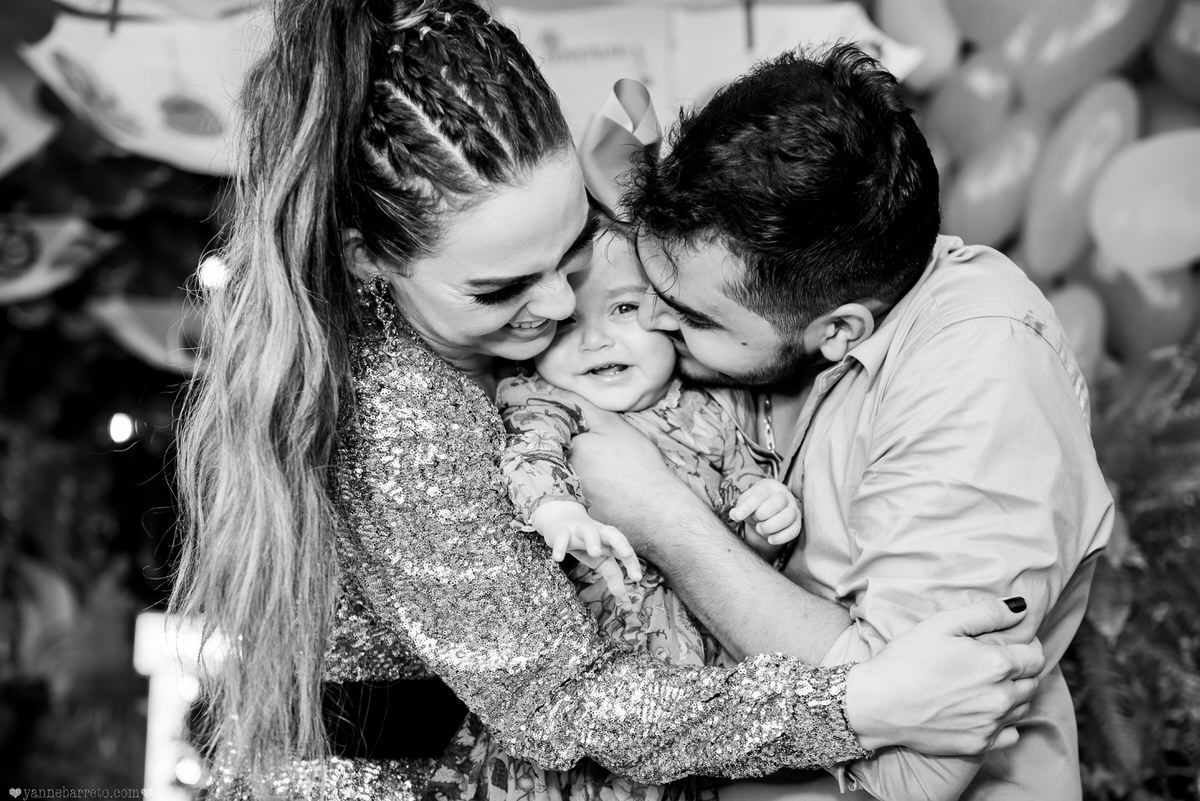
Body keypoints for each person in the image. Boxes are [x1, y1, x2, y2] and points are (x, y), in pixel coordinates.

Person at [169, 3, 1045, 799]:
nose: (558, 305)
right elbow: (559, 703)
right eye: (503, 287)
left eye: (571, 251)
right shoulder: (404, 420)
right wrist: (857, 703)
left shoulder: (489, 321)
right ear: (367, 259)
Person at [570, 45, 1114, 801]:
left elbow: (909, 769)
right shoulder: (751, 277)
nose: (653, 324)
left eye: (692, 317)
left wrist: (661, 516)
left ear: (838, 331)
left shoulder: (984, 377)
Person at [497, 219, 800, 671]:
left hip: (719, 661)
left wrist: (764, 522)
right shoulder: (545, 398)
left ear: (672, 317)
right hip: (619, 662)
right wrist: (559, 512)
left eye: (623, 308)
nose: (596, 340)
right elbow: (531, 450)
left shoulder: (711, 409)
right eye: (567, 322)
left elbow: (739, 535)